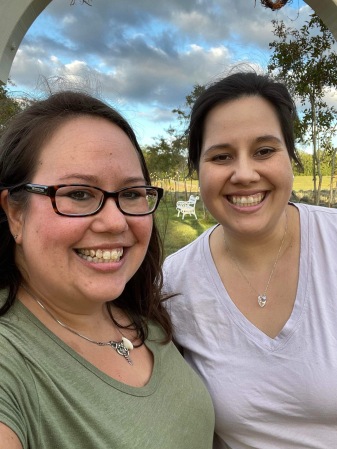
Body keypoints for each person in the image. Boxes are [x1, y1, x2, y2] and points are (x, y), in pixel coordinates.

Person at [0, 90, 215, 449]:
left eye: (131, 194)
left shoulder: (143, 313)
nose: (115, 222)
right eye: (79, 194)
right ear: (15, 214)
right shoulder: (12, 361)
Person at [163, 71, 337, 449]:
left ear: (291, 157)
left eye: (264, 151)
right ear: (198, 170)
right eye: (221, 156)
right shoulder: (173, 284)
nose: (244, 174)